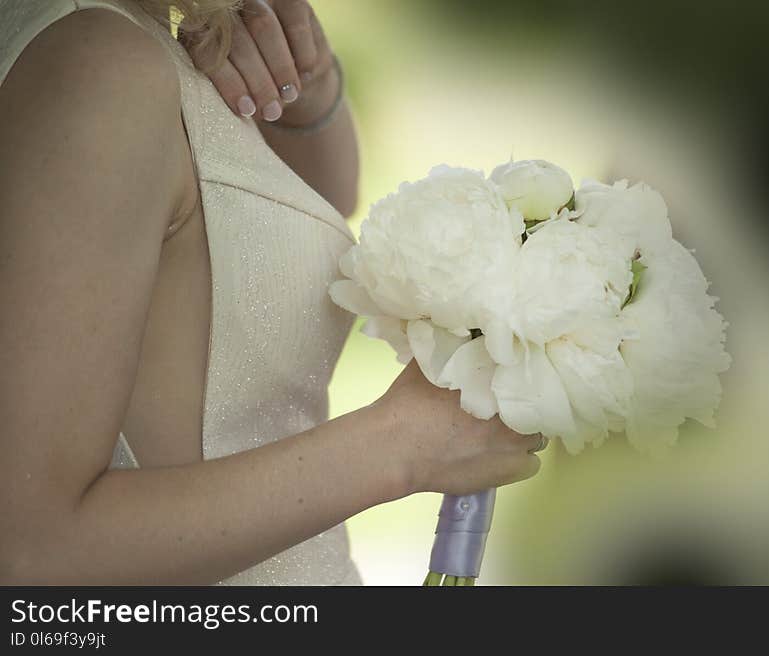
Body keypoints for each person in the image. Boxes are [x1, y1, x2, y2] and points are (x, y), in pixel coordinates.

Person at [0, 0, 542, 585]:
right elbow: (31, 550)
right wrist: (400, 446)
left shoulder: (147, 45)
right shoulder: (99, 67)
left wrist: (308, 84)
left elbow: (304, 200)